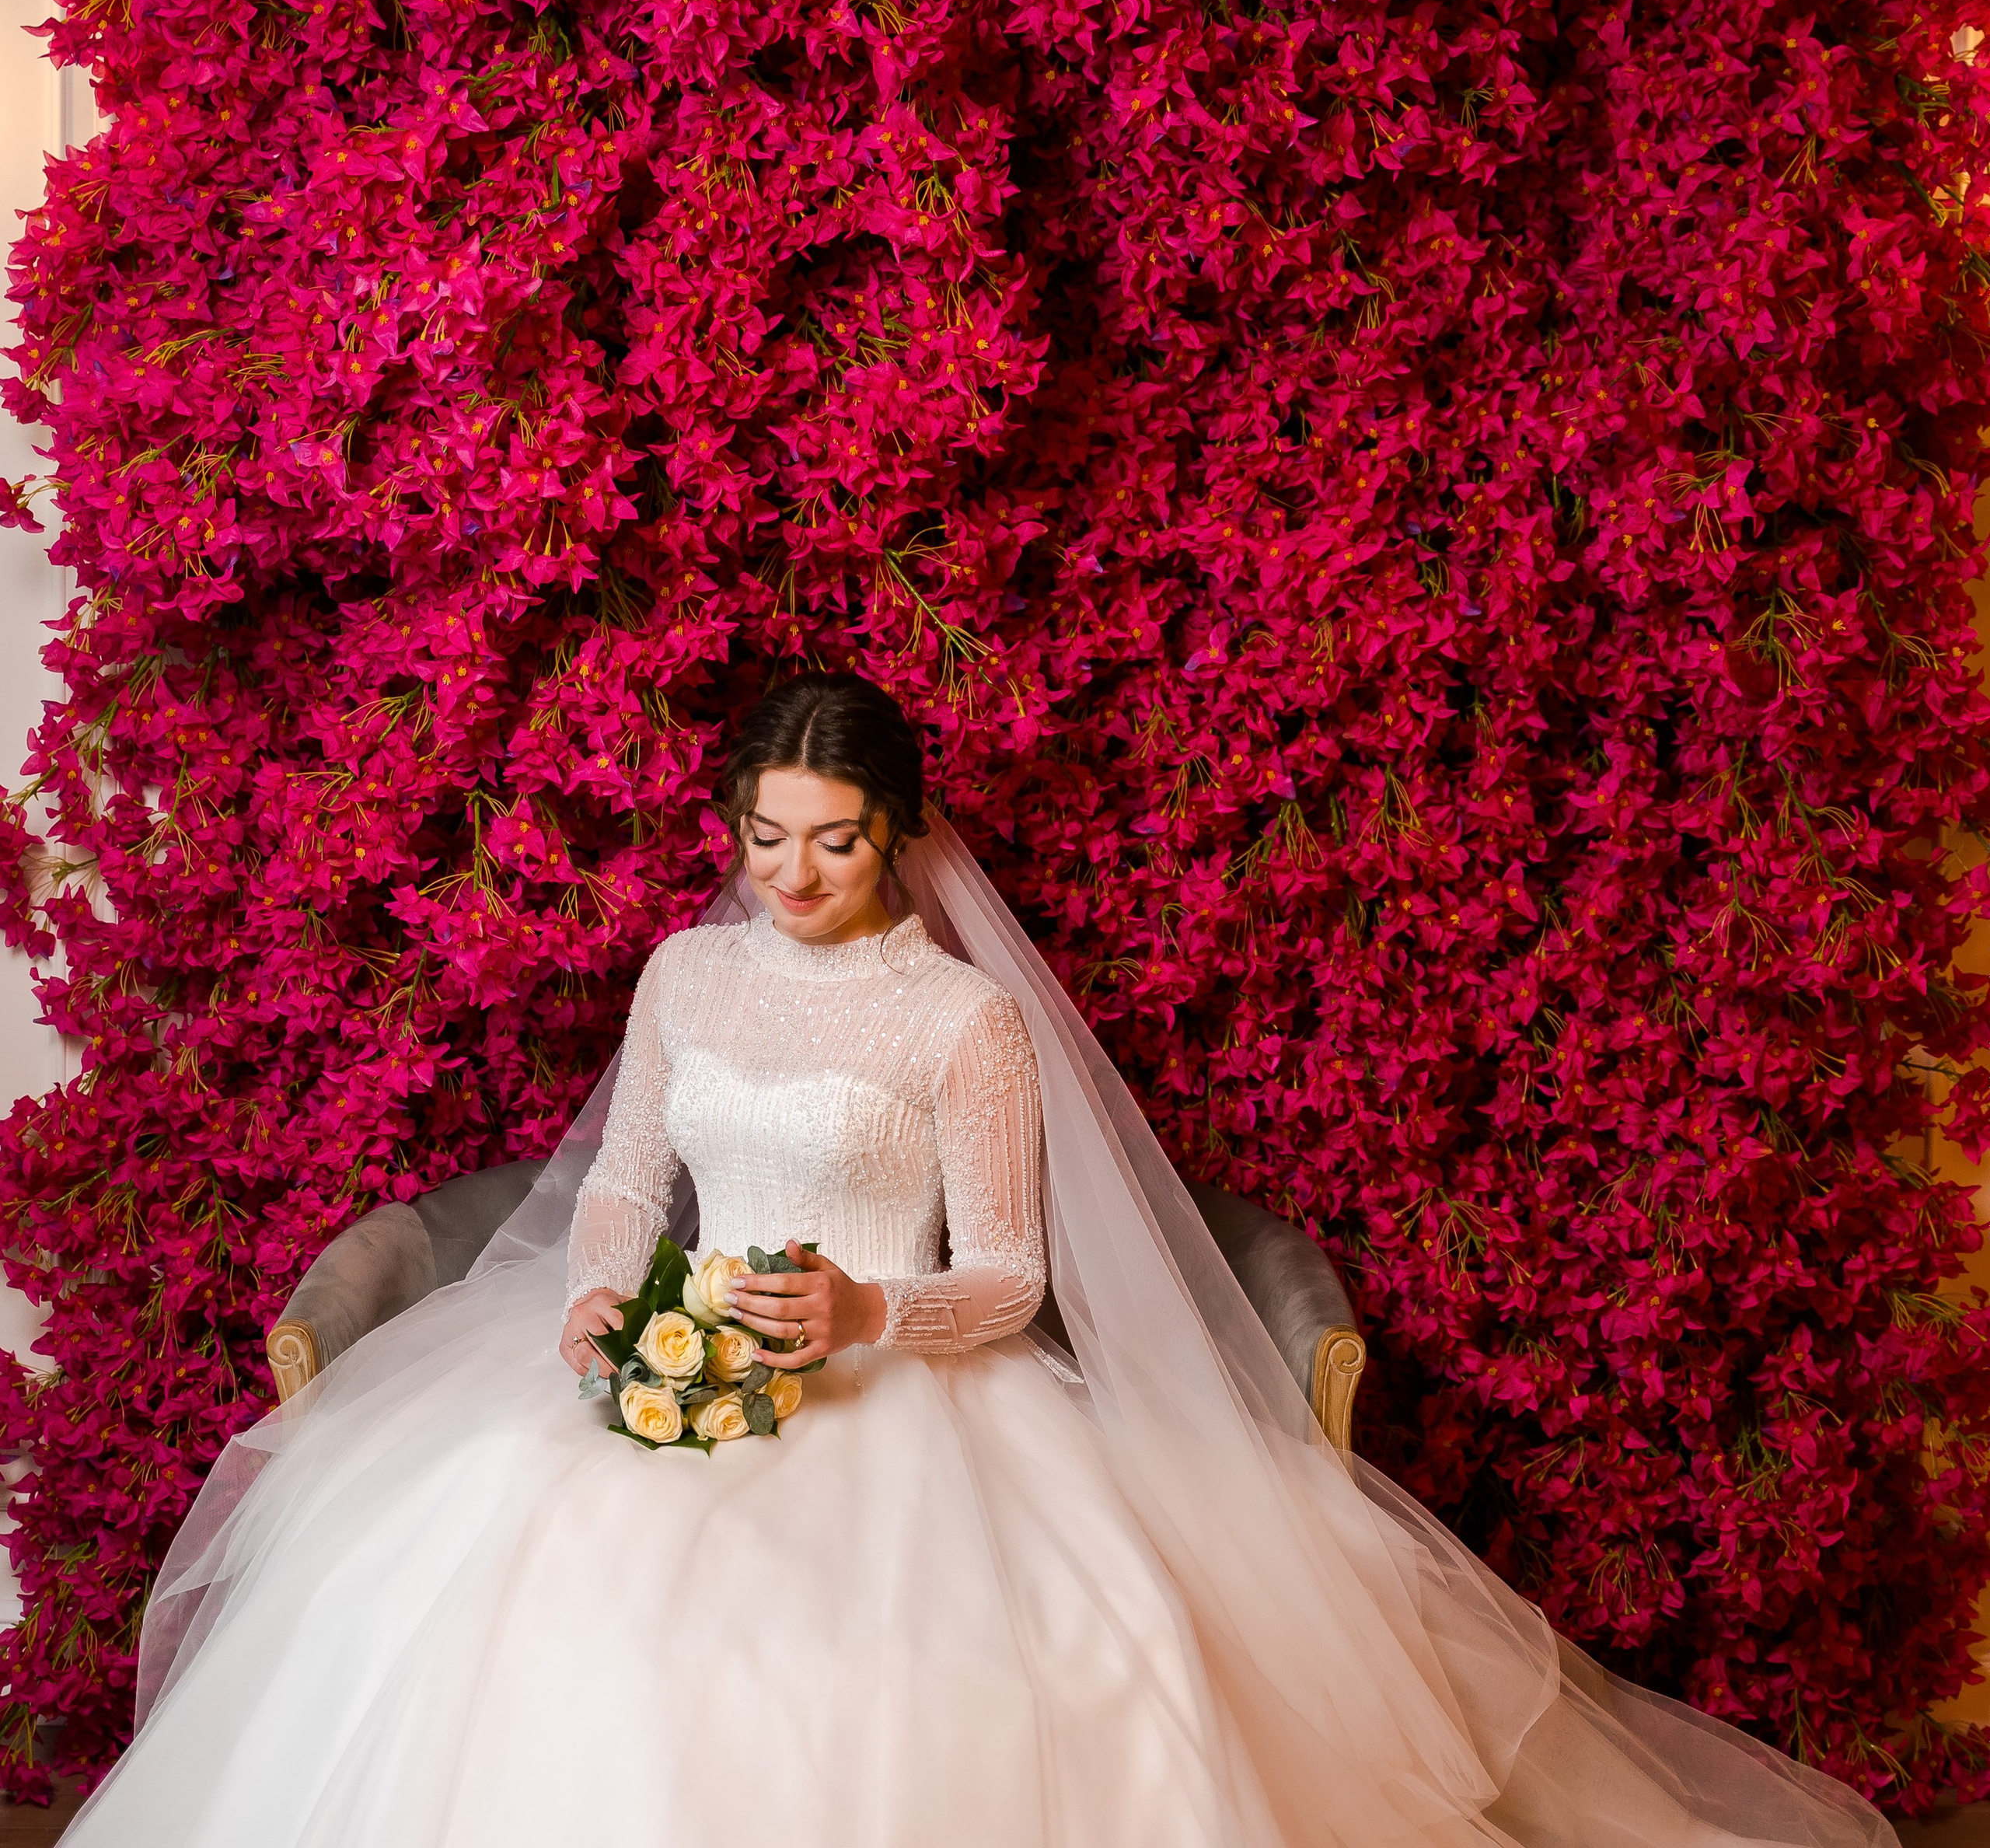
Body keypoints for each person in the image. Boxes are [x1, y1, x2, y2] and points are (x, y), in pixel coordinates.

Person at [59, 673, 1897, 1848]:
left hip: (910, 1387)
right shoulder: (685, 976)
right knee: (517, 1616)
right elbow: (623, 1180)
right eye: (764, 836)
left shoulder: (959, 1022)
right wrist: (604, 1293)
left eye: (834, 838)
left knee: (948, 1684)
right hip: (673, 1368)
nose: (792, 869)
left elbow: (1010, 1273)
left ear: (898, 833)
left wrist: (866, 1307)